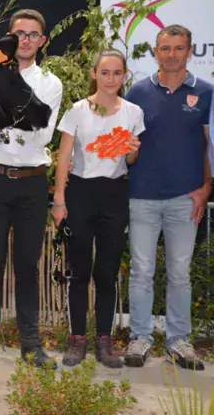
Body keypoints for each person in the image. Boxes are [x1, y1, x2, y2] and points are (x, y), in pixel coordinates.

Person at [0, 9, 63, 369]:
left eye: (33, 34)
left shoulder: (50, 84)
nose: (25, 39)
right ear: (8, 38)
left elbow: (41, 133)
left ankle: (30, 344)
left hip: (31, 183)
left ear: (42, 41)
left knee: (27, 266)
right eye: (19, 33)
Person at [124, 24, 213, 371]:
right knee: (141, 271)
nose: (172, 54)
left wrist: (206, 189)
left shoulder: (206, 92)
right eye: (165, 48)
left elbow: (210, 147)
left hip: (185, 199)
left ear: (190, 51)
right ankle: (141, 337)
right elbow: (125, 144)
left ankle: (179, 341)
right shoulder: (137, 92)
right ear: (155, 52)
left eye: (179, 48)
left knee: (180, 273)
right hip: (142, 196)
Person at [51, 48, 144, 368]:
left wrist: (133, 151)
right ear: (94, 74)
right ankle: (77, 339)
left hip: (115, 194)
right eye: (105, 72)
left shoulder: (133, 112)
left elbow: (130, 161)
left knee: (106, 273)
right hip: (80, 193)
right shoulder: (77, 110)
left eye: (117, 73)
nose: (110, 79)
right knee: (79, 272)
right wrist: (59, 198)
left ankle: (104, 340)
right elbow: (63, 157)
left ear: (124, 75)